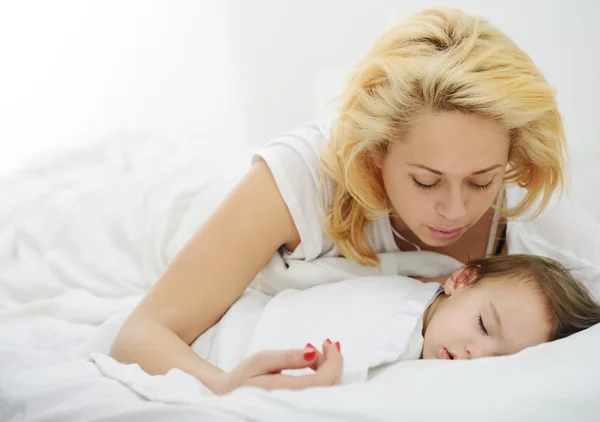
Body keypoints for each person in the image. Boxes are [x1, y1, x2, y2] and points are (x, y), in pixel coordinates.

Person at [109, 7, 600, 395]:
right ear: (376, 152)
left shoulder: (526, 208)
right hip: (177, 216)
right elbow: (141, 335)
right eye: (426, 182)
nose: (456, 210)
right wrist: (221, 386)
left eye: (481, 181)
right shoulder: (301, 180)